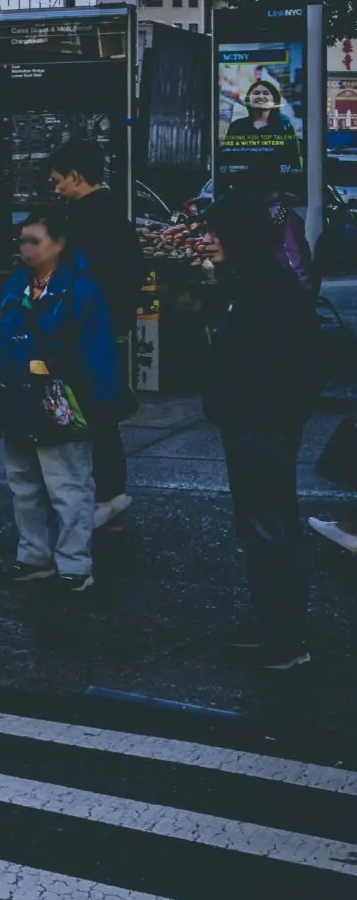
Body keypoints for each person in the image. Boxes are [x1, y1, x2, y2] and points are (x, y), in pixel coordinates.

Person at [0, 211, 122, 593]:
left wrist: (101, 402)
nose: (25, 248)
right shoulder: (14, 287)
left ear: (58, 244)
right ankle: (34, 557)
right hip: (14, 399)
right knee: (23, 484)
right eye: (22, 240)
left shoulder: (82, 291)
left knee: (67, 487)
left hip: (60, 403)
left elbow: (98, 351)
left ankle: (74, 564)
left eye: (33, 241)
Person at [201, 198, 320, 671]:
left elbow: (281, 365)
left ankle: (285, 637)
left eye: (216, 232)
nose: (208, 239)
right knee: (259, 526)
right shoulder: (250, 282)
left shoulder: (267, 291)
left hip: (262, 423)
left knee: (269, 527)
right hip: (254, 421)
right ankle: (269, 623)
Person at [48, 142, 146, 528]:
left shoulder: (85, 221)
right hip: (106, 328)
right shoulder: (110, 215)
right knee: (101, 409)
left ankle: (102, 493)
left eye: (58, 181)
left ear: (75, 176)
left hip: (87, 332)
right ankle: (110, 491)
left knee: (86, 410)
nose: (56, 188)